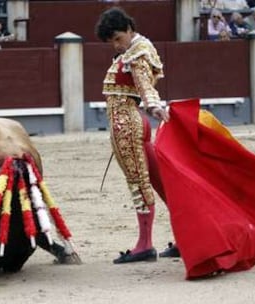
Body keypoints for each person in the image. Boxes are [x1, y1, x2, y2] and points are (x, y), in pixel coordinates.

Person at [95, 7, 169, 264]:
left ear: (129, 28)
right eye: (111, 42)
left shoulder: (137, 52)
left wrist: (154, 105)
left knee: (139, 184)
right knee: (162, 183)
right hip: (133, 122)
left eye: (118, 38)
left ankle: (145, 245)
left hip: (128, 123)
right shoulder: (135, 50)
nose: (116, 45)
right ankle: (185, 235)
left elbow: (144, 84)